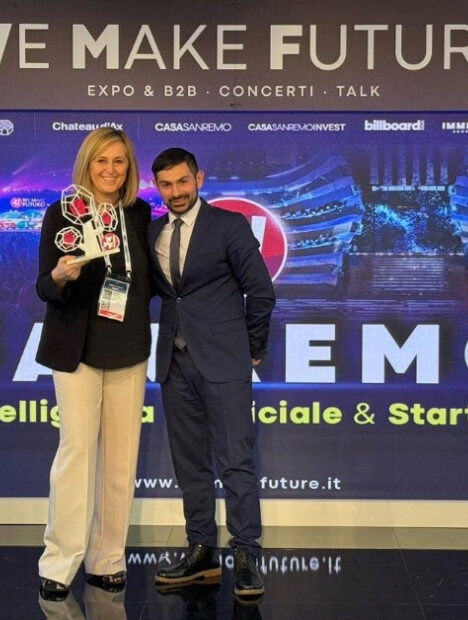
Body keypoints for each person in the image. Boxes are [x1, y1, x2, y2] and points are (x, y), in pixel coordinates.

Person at [147, 148, 276, 598]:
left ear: (198, 178)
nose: (176, 192)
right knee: (190, 464)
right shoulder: (152, 231)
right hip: (173, 363)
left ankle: (247, 555)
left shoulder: (229, 225)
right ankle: (200, 549)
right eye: (167, 185)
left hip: (224, 361)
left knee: (236, 463)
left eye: (183, 182)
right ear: (157, 187)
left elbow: (261, 292)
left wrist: (251, 348)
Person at [36, 127, 152, 600]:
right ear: (86, 164)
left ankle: (107, 559)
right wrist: (60, 276)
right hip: (77, 350)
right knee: (77, 454)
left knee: (120, 461)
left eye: (119, 161)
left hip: (129, 348)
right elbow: (44, 285)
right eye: (101, 160)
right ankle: (60, 562)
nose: (110, 169)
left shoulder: (141, 213)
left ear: (129, 168)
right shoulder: (62, 212)